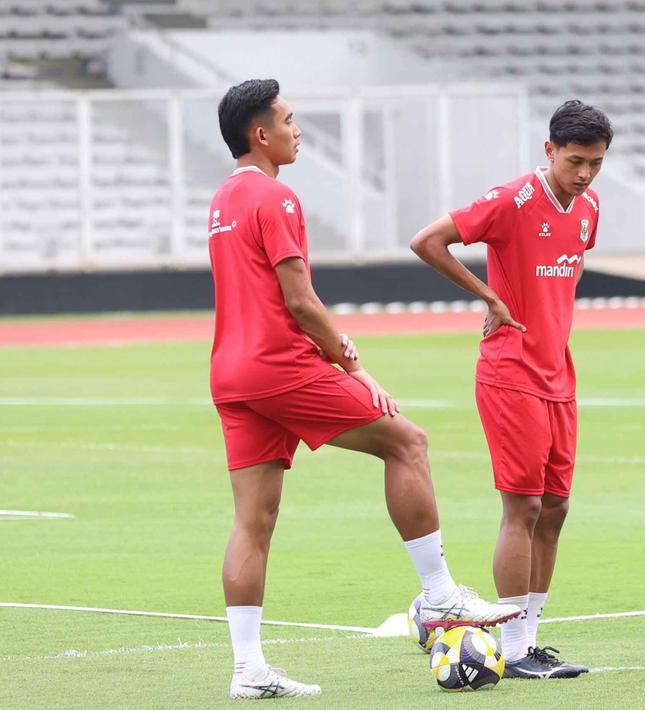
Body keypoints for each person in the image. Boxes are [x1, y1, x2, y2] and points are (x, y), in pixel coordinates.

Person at [209, 79, 519, 700]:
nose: (298, 131)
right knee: (406, 441)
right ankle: (437, 597)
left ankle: (248, 669)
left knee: (253, 521)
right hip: (280, 365)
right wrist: (353, 367)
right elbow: (300, 301)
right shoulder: (277, 197)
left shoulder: (223, 200)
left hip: (230, 372)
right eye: (290, 121)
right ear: (260, 134)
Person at [409, 99, 612, 679]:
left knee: (556, 509)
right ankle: (514, 651)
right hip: (510, 372)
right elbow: (428, 240)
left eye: (595, 163)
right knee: (522, 507)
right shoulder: (512, 200)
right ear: (548, 150)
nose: (584, 174)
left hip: (558, 373)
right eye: (575, 160)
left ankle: (528, 639)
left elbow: (558, 270)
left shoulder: (589, 207)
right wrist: (489, 295)